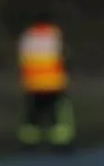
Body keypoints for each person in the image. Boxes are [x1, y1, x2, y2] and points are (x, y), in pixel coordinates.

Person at [16, 11, 74, 150]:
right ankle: (60, 143)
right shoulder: (54, 34)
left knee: (33, 115)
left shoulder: (28, 35)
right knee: (56, 116)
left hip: (33, 83)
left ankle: (29, 143)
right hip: (53, 82)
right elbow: (64, 56)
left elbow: (22, 59)